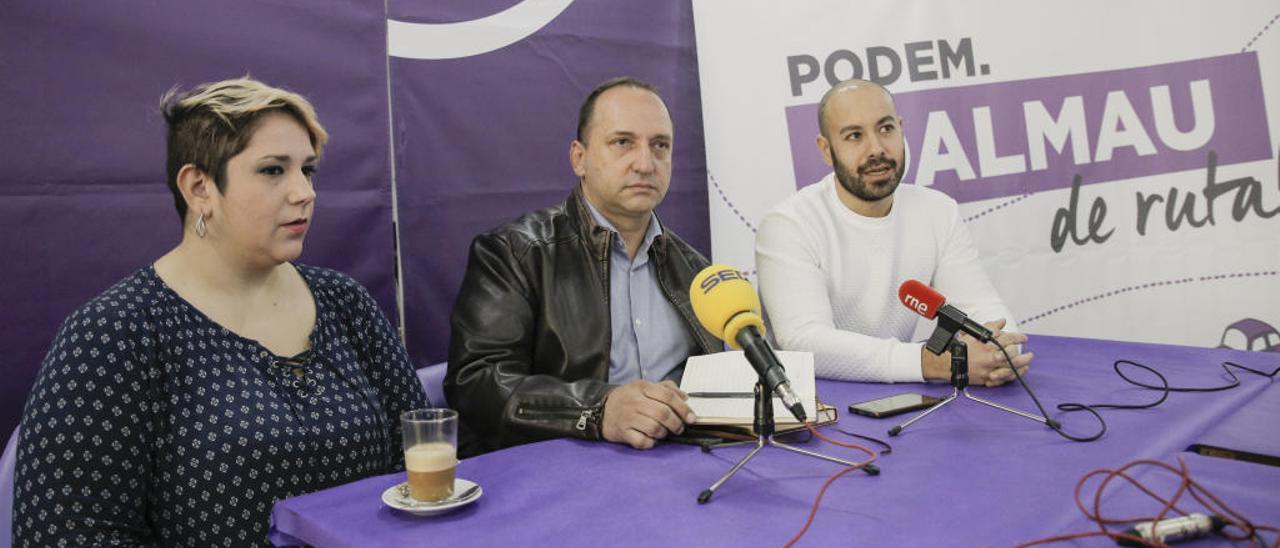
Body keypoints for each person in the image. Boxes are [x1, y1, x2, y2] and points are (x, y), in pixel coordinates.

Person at [13, 77, 428, 547]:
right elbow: (70, 536)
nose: (305, 192)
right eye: (274, 170)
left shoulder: (343, 302)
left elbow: (418, 456)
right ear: (199, 187)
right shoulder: (114, 334)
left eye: (307, 170)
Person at [446, 77, 720, 454]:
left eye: (660, 146)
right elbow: (477, 384)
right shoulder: (515, 252)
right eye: (622, 143)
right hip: (561, 470)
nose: (645, 163)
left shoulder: (695, 270)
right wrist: (598, 409)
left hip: (682, 467)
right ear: (579, 158)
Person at [755, 79, 1034, 386]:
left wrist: (1000, 352)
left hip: (902, 395)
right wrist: (930, 363)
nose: (876, 149)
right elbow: (804, 341)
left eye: (886, 129)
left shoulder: (938, 210)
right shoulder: (788, 224)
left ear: (902, 129)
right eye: (854, 136)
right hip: (814, 408)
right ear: (826, 149)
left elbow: (983, 307)